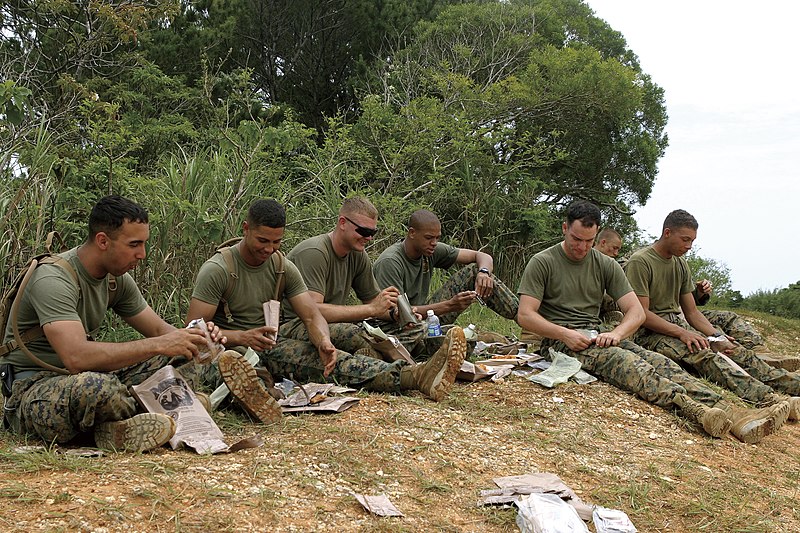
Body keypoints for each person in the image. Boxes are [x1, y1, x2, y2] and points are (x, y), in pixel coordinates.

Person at [516, 200, 788, 443]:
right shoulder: (543, 262)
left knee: (662, 363)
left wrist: (618, 333)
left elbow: (636, 311)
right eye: (577, 239)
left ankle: (733, 413)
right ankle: (697, 411)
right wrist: (563, 334)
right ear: (565, 228)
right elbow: (526, 315)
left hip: (598, 334)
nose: (582, 247)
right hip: (562, 341)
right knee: (630, 365)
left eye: (589, 241)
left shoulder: (605, 264)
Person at [186, 199, 466, 407]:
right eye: (262, 240)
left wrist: (322, 341)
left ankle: (415, 374)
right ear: (246, 229)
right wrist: (241, 337)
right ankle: (251, 393)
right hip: (232, 347)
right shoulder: (219, 269)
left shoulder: (282, 266)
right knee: (235, 369)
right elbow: (194, 332)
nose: (269, 249)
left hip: (271, 341)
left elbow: (311, 314)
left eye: (277, 242)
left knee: (334, 360)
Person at [0, 195, 225, 452]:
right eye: (134, 244)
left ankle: (131, 421)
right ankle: (165, 408)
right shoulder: (53, 278)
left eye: (144, 244)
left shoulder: (115, 280)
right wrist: (160, 344)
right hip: (35, 387)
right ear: (103, 241)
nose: (142, 254)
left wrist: (197, 338)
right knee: (95, 388)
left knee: (184, 355)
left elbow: (160, 330)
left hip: (85, 376)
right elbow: (76, 357)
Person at [625, 209, 800, 420]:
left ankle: (791, 385)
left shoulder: (680, 263)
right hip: (651, 333)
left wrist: (717, 336)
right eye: (685, 239)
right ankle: (768, 398)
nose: (689, 246)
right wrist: (683, 333)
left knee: (733, 350)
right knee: (704, 354)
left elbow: (692, 312)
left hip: (678, 326)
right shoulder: (640, 261)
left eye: (692, 241)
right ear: (667, 233)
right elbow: (641, 313)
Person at [279, 197, 405, 357]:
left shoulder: (358, 254)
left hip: (333, 324)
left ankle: (378, 357)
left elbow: (373, 302)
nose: (369, 238)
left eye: (373, 233)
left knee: (410, 328)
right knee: (354, 333)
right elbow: (313, 311)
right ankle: (385, 361)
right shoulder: (315, 252)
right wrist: (371, 309)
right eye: (364, 231)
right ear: (343, 223)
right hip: (297, 325)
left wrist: (394, 314)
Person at [373, 209, 519, 333]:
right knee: (459, 340)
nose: (434, 243)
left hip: (424, 318)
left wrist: (484, 272)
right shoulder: (390, 262)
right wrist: (449, 305)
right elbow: (397, 314)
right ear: (412, 233)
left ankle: (523, 317)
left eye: (437, 238)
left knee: (475, 271)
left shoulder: (431, 249)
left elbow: (481, 256)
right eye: (429, 238)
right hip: (398, 328)